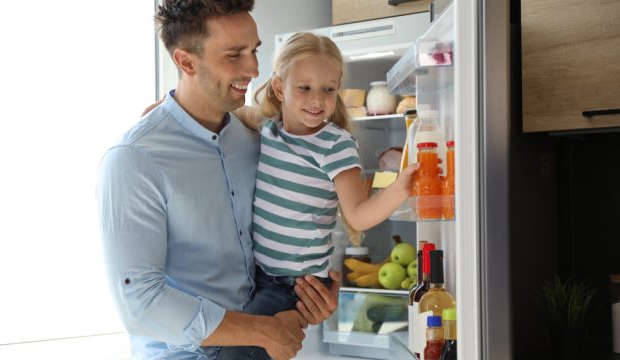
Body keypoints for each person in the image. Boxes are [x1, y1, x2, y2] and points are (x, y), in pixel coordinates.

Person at [96, 1, 339, 359]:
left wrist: (309, 294)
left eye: (254, 50)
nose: (253, 68)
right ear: (186, 62)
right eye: (234, 55)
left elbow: (272, 247)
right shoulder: (135, 159)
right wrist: (263, 330)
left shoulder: (256, 141)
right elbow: (141, 302)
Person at [215, 32, 418, 360]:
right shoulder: (268, 128)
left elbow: (357, 214)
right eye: (304, 87)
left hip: (296, 284)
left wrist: (398, 189)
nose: (317, 99)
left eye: (328, 89)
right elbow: (227, 114)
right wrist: (165, 110)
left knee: (236, 354)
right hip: (260, 271)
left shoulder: (335, 145)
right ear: (280, 88)